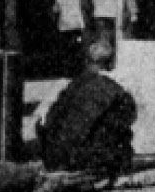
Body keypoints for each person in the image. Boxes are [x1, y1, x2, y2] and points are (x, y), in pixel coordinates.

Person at [37, 40, 138, 177]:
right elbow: (128, 120)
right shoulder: (115, 91)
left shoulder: (71, 85)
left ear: (87, 60)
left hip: (52, 157)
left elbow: (45, 119)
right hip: (81, 160)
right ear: (111, 64)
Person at [53, 0, 92, 72]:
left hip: (64, 26)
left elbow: (55, 10)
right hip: (76, 25)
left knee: (66, 48)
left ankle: (66, 68)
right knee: (77, 46)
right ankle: (77, 67)